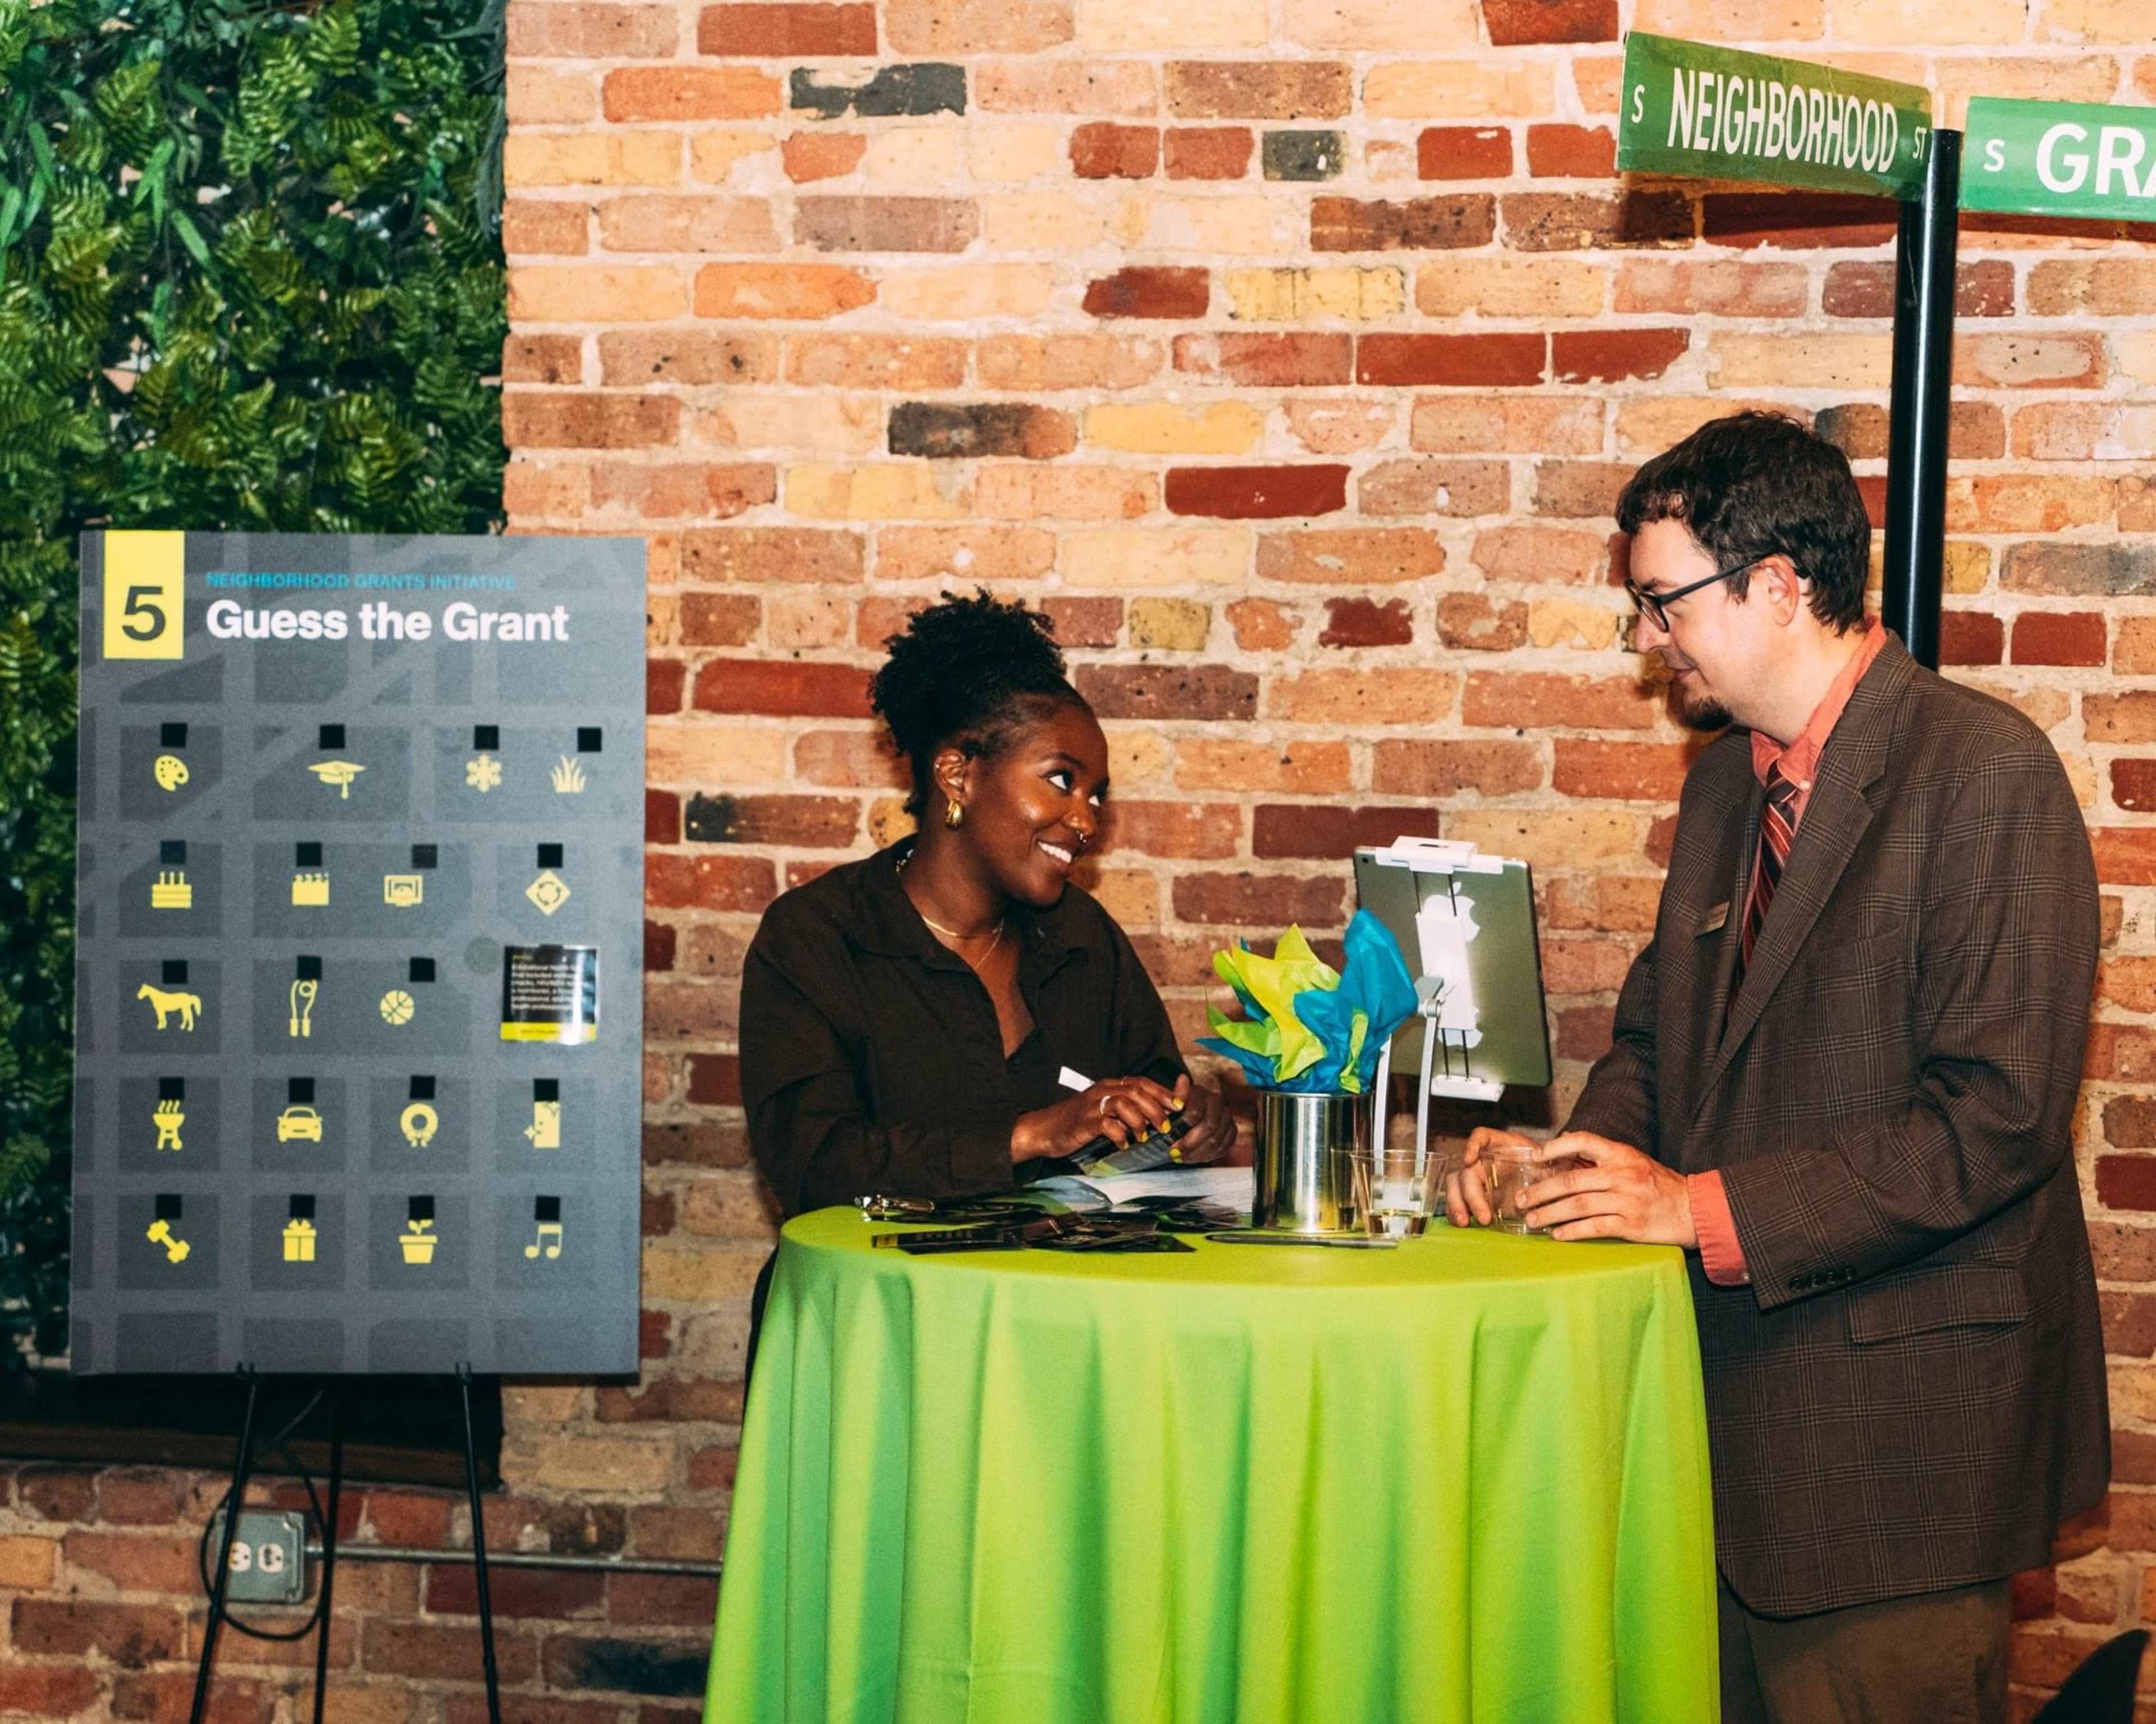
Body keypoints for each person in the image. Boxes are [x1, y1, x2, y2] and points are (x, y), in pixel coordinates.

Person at [1450, 411, 2107, 1722]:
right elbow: (1656, 1043)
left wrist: (1688, 1209)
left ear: (1775, 583)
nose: (1644, 639)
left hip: (1893, 1475)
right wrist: (1572, 1163)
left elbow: (1995, 1119)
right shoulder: (1718, 792)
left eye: (1660, 602)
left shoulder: (1982, 771)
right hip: (1716, 1454)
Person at [739, 590, 1235, 1220]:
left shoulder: (1083, 938)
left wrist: (1188, 1126)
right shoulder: (820, 936)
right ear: (958, 775)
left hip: (1056, 1302)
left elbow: (1151, 1112)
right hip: (889, 1304)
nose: (1085, 819)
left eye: (1096, 795)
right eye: (1062, 779)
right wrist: (1035, 1133)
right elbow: (813, 1164)